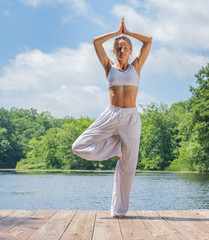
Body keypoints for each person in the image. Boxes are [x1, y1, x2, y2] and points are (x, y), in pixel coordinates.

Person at [72, 17, 152, 218]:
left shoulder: (136, 67)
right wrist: (117, 33)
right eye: (119, 48)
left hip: (131, 118)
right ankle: (116, 146)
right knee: (78, 146)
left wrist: (128, 32)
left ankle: (119, 211)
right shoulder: (109, 67)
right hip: (112, 114)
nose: (122, 51)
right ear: (114, 51)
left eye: (125, 48)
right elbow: (96, 42)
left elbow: (149, 40)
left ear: (130, 51)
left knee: (129, 166)